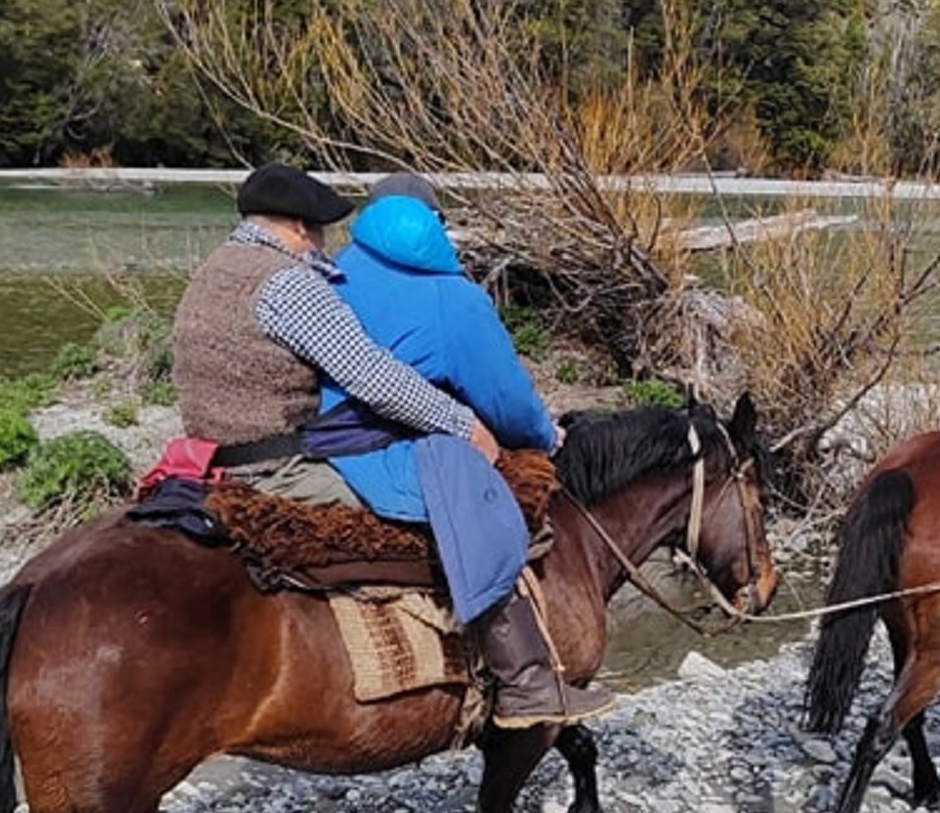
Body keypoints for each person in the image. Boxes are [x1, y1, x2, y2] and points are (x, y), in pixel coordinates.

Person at [319, 173, 614, 728]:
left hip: (310, 444)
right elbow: (505, 400)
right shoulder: (450, 296)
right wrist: (546, 435)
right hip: (383, 456)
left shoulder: (328, 272)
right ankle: (523, 679)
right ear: (436, 226)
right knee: (490, 513)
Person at [170, 163, 500, 508]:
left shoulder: (214, 267)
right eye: (321, 232)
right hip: (278, 470)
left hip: (210, 457)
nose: (323, 244)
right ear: (300, 227)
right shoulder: (290, 283)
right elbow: (372, 375)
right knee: (439, 503)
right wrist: (464, 425)